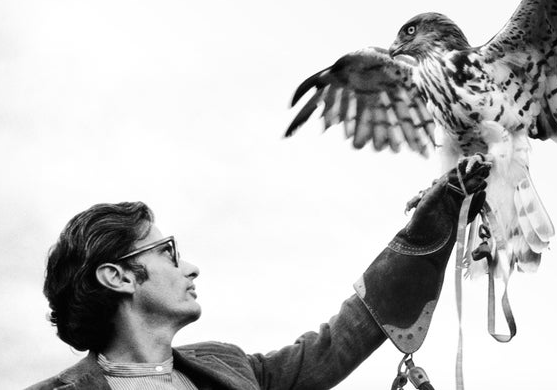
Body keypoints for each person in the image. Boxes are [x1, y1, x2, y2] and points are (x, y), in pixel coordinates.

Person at [28, 155, 491, 390]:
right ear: (119, 277)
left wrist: (433, 226)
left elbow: (338, 342)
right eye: (167, 252)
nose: (190, 267)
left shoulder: (229, 368)